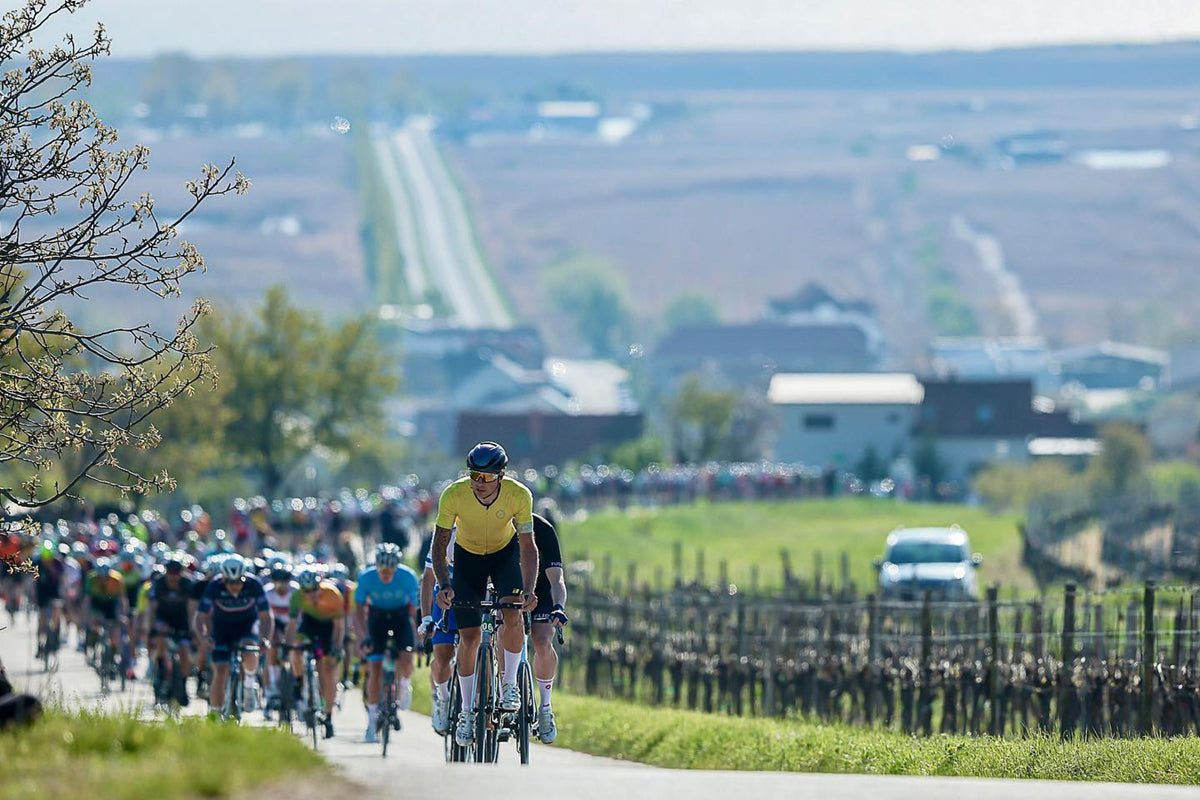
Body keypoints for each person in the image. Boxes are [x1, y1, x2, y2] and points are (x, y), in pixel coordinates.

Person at [431, 441, 539, 748]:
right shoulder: (454, 494)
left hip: (505, 555)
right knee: (469, 636)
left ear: (501, 475)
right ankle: (466, 711)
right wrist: (445, 584)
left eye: (487, 478)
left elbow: (529, 549)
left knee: (512, 612)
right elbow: (439, 547)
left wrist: (529, 590)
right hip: (467, 558)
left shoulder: (520, 495)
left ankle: (509, 686)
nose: (480, 484)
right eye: (474, 476)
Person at [354, 542, 419, 743]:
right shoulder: (366, 578)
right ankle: (372, 722)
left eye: (390, 571)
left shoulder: (408, 576)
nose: (386, 575)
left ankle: (404, 684)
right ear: (376, 566)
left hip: (400, 617)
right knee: (375, 668)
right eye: (383, 570)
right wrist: (363, 635)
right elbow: (358, 612)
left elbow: (414, 610)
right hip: (377, 618)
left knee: (407, 658)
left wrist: (417, 637)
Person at [193, 554, 273, 716]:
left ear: (244, 578)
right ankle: (215, 715)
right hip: (222, 628)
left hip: (247, 626)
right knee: (220, 671)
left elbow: (266, 616)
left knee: (250, 650)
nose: (233, 586)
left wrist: (265, 639)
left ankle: (249, 685)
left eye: (238, 582)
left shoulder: (254, 585)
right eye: (229, 582)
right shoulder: (214, 586)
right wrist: (203, 637)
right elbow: (200, 616)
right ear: (223, 579)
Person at [286, 568, 344, 739]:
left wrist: (336, 646)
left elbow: (339, 626)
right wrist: (288, 645)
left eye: (314, 590)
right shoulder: (297, 596)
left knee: (327, 671)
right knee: (296, 650)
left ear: (320, 585)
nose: (311, 594)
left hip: (328, 628)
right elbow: (292, 624)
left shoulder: (332, 594)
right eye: (307, 591)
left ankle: (328, 717)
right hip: (309, 625)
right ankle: (298, 680)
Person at [529, 512, 569, 744]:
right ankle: (504, 689)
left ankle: (545, 708)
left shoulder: (543, 529)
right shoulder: (495, 522)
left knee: (542, 639)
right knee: (501, 632)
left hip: (540, 589)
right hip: (507, 588)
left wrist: (558, 606)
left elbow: (557, 580)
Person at [417, 526, 457, 735]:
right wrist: (426, 618)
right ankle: (442, 699)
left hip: (475, 598)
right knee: (442, 656)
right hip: (445, 602)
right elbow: (428, 580)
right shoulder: (445, 533)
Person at [143, 552, 197, 706]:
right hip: (163, 619)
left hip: (182, 621)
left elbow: (192, 609)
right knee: (161, 639)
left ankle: (183, 685)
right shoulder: (159, 584)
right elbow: (152, 609)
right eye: (171, 573)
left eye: (177, 573)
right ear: (166, 572)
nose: (174, 576)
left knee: (184, 652)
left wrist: (193, 631)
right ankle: (161, 672)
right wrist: (151, 629)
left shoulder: (188, 584)